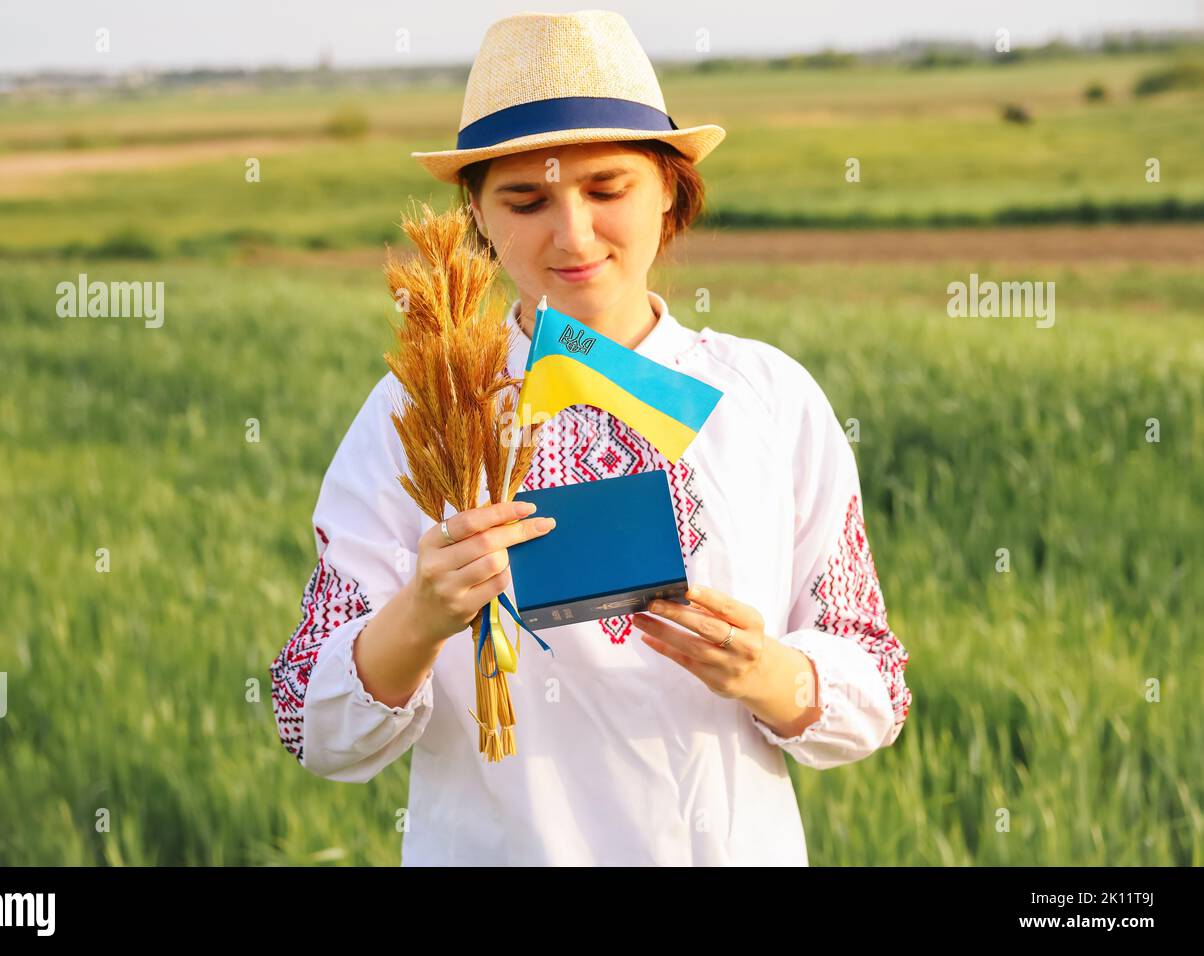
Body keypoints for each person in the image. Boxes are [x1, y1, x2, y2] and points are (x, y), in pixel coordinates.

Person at [270, 10, 911, 866]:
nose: (571, 235)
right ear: (478, 216)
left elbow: (875, 680)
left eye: (607, 189)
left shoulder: (769, 399)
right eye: (527, 200)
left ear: (671, 192)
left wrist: (765, 672)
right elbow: (311, 722)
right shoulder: (420, 413)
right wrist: (422, 615)